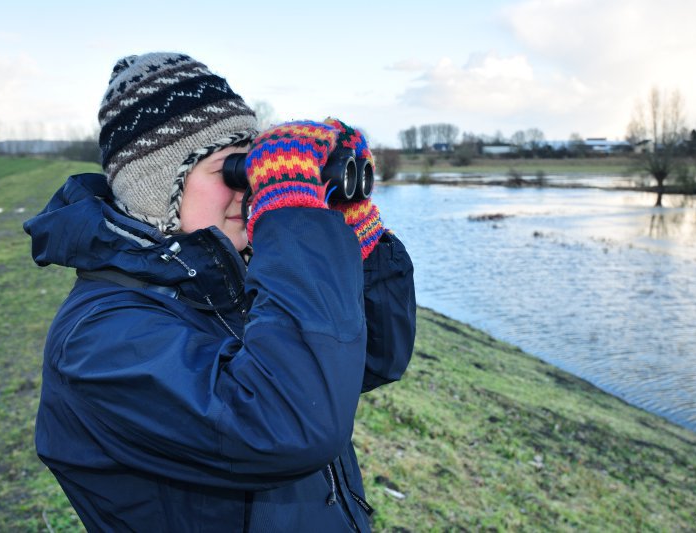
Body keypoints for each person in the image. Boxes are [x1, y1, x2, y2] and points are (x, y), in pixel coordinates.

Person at [24, 52, 416, 532]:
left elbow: (375, 358)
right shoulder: (99, 340)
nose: (250, 189)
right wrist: (293, 220)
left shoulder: (216, 284)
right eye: (232, 170)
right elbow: (288, 427)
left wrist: (346, 224)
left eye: (256, 167)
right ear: (158, 192)